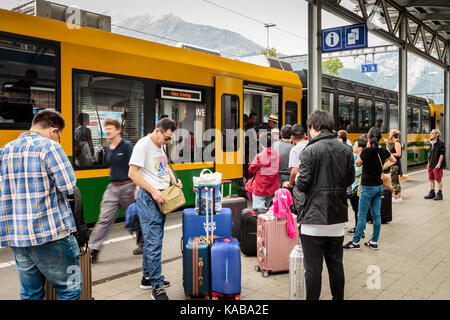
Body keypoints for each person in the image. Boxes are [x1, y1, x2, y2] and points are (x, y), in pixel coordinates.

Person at [0, 110, 81, 300]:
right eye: (59, 136)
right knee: (70, 289)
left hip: (18, 238)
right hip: (51, 235)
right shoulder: (50, 147)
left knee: (30, 293)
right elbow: (69, 186)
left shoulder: (5, 149)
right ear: (54, 130)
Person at [295, 110, 354, 300]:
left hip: (312, 221)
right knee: (336, 266)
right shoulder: (346, 150)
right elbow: (350, 180)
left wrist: (295, 182)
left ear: (313, 127)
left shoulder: (309, 151)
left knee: (313, 270)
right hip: (336, 219)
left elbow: (302, 184)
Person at [128, 118, 182, 300]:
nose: (168, 141)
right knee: (154, 242)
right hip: (149, 198)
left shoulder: (160, 146)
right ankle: (156, 286)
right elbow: (132, 173)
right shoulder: (143, 145)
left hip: (161, 196)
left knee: (155, 238)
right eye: (167, 138)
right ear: (158, 131)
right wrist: (152, 191)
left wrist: (173, 179)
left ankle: (147, 277)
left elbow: (163, 166)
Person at [89, 119, 136, 263]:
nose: (107, 131)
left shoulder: (127, 146)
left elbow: (136, 166)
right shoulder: (108, 147)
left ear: (118, 130)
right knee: (104, 219)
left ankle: (143, 243)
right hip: (112, 188)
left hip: (129, 186)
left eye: (110, 129)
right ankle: (94, 250)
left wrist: (137, 187)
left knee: (136, 218)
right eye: (106, 129)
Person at [344, 127, 397, 251]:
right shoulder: (384, 151)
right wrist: (383, 167)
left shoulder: (366, 151)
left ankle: (355, 242)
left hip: (367, 188)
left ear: (368, 138)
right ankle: (373, 241)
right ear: (379, 138)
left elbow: (357, 164)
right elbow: (393, 160)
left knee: (362, 216)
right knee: (376, 215)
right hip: (378, 187)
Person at [245, 132, 281, 208]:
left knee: (259, 214)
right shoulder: (277, 156)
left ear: (261, 143)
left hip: (260, 188)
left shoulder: (259, 156)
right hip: (273, 188)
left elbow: (251, 169)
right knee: (271, 212)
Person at [347, 138, 367, 236]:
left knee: (359, 210)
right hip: (353, 185)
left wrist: (352, 172)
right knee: (356, 209)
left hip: (359, 187)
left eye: (355, 145)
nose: (353, 147)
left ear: (361, 147)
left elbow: (356, 172)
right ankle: (357, 228)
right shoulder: (354, 156)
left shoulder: (363, 158)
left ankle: (360, 230)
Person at [283, 124, 308, 189]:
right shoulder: (312, 145)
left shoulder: (295, 150)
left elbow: (294, 171)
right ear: (305, 135)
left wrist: (290, 184)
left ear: (292, 137)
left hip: (302, 184)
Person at [424, 129, 446, 200]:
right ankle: (432, 193)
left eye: (432, 133)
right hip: (431, 164)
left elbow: (441, 155)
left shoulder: (441, 143)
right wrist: (428, 162)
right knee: (431, 178)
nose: (431, 134)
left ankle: (440, 194)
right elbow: (430, 154)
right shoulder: (431, 143)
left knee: (438, 179)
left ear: (437, 135)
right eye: (431, 133)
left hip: (437, 164)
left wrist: (439, 164)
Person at [384, 129, 403, 203]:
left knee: (394, 182)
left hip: (395, 165)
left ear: (392, 135)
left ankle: (396, 198)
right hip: (394, 164)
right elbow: (388, 152)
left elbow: (398, 154)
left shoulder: (397, 143)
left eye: (389, 133)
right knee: (396, 181)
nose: (388, 134)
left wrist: (390, 155)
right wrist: (387, 144)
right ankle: (398, 197)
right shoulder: (395, 143)